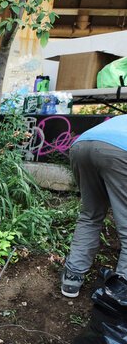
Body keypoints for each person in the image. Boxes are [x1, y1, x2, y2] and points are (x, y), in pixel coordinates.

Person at [61, 115, 127, 297]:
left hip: (81, 145)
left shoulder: (121, 119)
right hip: (119, 151)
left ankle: (72, 278)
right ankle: (120, 291)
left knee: (90, 215)